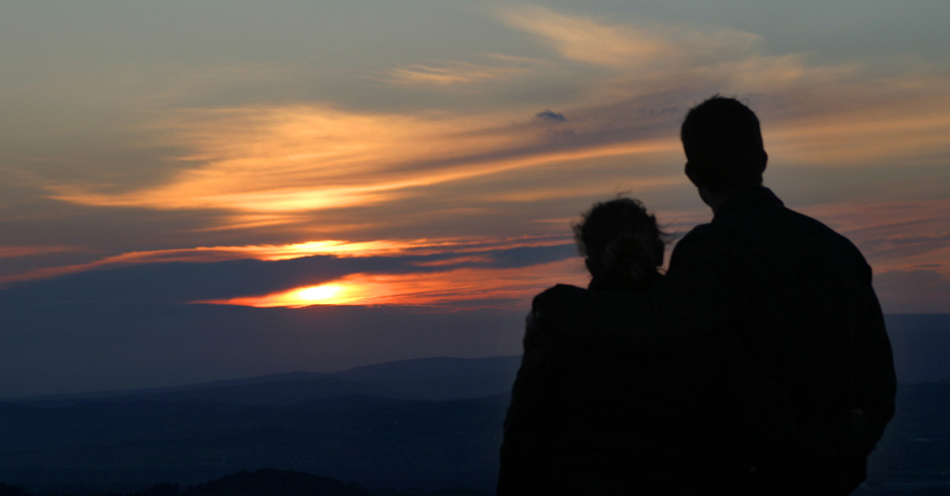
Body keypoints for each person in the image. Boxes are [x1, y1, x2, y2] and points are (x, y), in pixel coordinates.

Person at [531, 96, 897, 494]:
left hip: (751, 478)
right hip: (831, 477)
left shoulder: (709, 254)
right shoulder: (837, 251)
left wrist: (554, 306)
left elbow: (658, 332)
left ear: (692, 174)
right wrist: (844, 444)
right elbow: (877, 380)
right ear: (763, 160)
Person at [498, 198, 726, 495]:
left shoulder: (558, 328)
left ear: (590, 264)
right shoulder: (703, 323)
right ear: (657, 252)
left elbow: (524, 442)